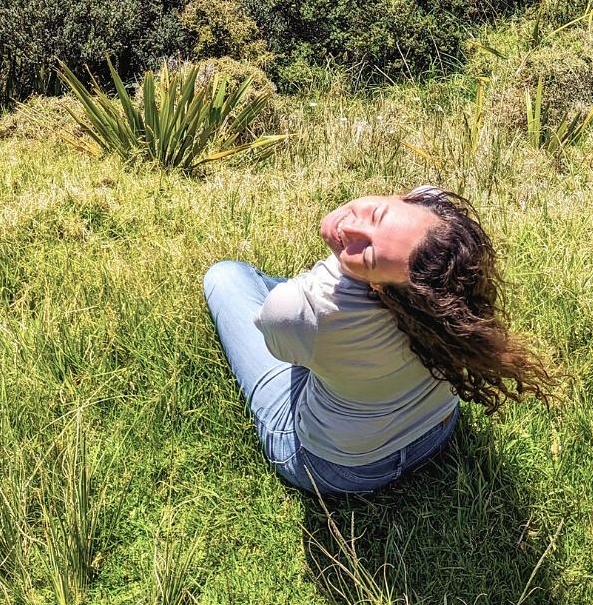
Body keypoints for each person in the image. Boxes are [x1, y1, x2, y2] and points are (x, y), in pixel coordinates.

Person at [203, 184, 553, 496]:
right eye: (377, 213)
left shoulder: (300, 310)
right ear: (410, 199)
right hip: (436, 431)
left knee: (227, 276)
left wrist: (333, 289)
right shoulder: (438, 300)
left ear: (381, 289)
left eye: (368, 256)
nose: (350, 227)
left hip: (341, 468)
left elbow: (283, 350)